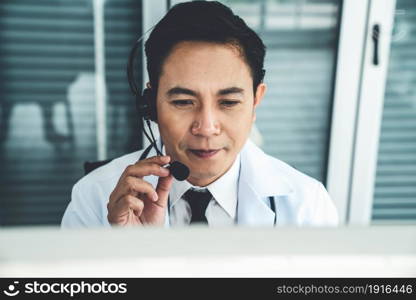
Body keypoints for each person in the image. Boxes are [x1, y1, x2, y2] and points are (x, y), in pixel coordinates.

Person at [61, 1, 338, 228]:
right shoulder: (94, 197)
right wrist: (131, 252)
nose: (206, 128)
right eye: (183, 102)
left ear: (255, 101)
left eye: (228, 102)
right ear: (151, 103)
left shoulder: (308, 206)